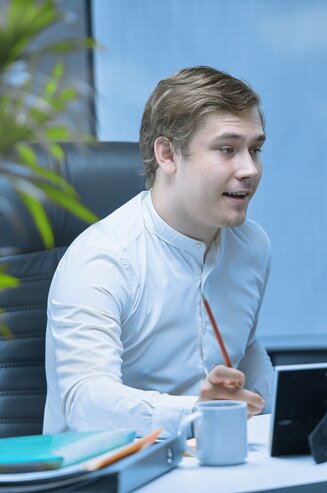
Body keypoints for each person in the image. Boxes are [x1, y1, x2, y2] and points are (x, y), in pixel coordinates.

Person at [43, 66, 274, 438]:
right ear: (167, 154)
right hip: (115, 472)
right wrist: (196, 414)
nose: (249, 169)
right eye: (227, 149)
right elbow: (85, 402)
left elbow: (245, 349)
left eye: (256, 149)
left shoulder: (252, 245)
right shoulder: (102, 259)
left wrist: (279, 418)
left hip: (218, 461)